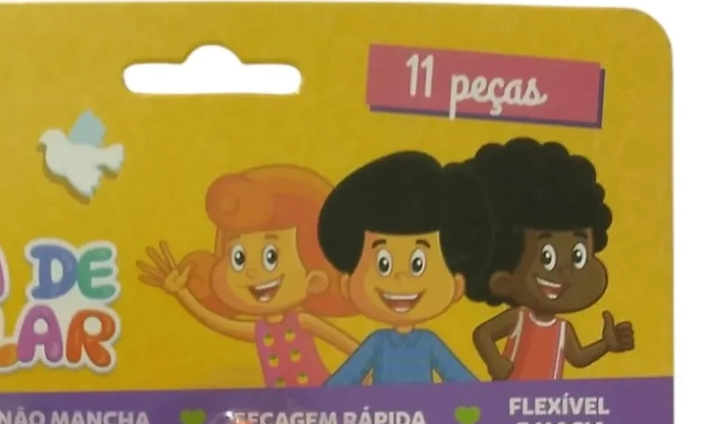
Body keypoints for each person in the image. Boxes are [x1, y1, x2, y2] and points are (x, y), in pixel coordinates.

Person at [138, 165, 357, 387]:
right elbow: (215, 322)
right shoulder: (260, 330)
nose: (252, 272)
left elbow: (353, 349)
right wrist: (182, 293)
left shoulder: (302, 321)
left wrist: (367, 377)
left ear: (315, 278)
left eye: (271, 257)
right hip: (281, 403)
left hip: (320, 394)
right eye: (239, 258)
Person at [465, 138, 634, 381]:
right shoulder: (520, 319)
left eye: (578, 256)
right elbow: (483, 334)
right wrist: (495, 362)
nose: (566, 272)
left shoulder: (563, 329)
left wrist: (606, 345)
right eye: (547, 257)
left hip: (550, 400)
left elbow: (578, 358)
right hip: (510, 396)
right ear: (503, 279)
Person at [318, 151, 487, 384]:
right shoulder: (377, 343)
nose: (400, 277)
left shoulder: (428, 343)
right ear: (347, 284)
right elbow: (344, 379)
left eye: (418, 264)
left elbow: (459, 378)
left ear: (457, 285)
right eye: (383, 264)